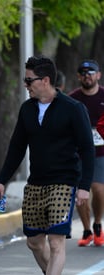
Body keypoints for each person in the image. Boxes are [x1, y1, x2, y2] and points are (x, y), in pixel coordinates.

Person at [0, 56, 95, 275]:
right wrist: (2, 180)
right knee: (34, 243)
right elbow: (17, 147)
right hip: (36, 183)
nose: (25, 85)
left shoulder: (73, 108)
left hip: (64, 183)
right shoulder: (27, 109)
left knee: (56, 242)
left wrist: (84, 186)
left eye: (29, 81)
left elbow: (87, 149)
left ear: (45, 80)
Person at [68, 59, 104, 247]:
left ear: (98, 75)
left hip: (100, 151)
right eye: (83, 73)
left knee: (98, 189)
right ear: (78, 76)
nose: (87, 76)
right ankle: (87, 230)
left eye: (91, 73)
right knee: (80, 194)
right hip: (79, 153)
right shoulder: (72, 99)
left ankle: (98, 224)